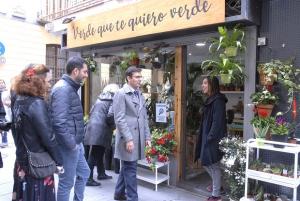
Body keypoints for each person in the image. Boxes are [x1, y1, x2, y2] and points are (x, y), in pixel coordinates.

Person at [11, 64, 63, 201]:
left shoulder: (19, 99)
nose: (49, 84)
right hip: (37, 165)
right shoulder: (36, 104)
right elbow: (48, 137)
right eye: (48, 80)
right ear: (40, 81)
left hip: (22, 161)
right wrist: (59, 161)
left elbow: (15, 131)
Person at [50, 56, 90, 201]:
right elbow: (58, 123)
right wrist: (72, 145)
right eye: (85, 72)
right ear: (75, 71)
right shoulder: (63, 89)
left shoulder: (69, 88)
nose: (86, 75)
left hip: (74, 144)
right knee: (66, 183)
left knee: (85, 172)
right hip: (68, 146)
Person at [113, 66, 151, 201]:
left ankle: (118, 194)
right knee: (131, 169)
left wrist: (147, 136)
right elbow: (119, 118)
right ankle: (132, 198)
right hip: (127, 138)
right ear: (129, 78)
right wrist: (129, 139)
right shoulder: (121, 93)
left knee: (128, 167)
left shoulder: (139, 93)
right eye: (137, 77)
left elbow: (144, 117)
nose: (140, 79)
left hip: (138, 137)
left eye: (140, 77)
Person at [195, 76, 227, 201]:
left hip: (213, 138)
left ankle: (216, 195)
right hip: (208, 136)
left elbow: (217, 121)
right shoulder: (211, 99)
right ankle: (218, 187)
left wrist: (210, 137)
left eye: (205, 83)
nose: (202, 85)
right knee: (208, 163)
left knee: (212, 165)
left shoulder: (218, 100)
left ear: (212, 85)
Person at [84, 83, 119, 186]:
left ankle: (101, 173)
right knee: (95, 154)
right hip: (102, 129)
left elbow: (91, 112)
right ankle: (88, 179)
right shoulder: (113, 100)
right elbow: (110, 116)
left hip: (92, 127)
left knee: (99, 152)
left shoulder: (100, 98)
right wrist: (114, 126)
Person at [0, 79, 8, 147]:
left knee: (3, 125)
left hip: (4, 111)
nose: (1, 84)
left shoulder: (6, 92)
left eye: (2, 83)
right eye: (0, 83)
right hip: (1, 110)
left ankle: (4, 141)